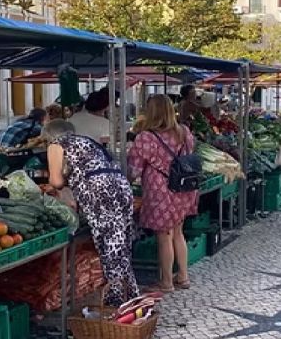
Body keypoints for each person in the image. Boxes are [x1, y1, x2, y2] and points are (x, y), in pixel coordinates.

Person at [42, 119, 139, 305]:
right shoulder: (85, 141)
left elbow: (56, 182)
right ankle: (131, 296)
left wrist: (58, 182)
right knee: (121, 247)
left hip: (100, 194)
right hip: (121, 188)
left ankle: (117, 302)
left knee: (110, 248)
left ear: (49, 135)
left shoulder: (57, 144)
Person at [127, 95, 198, 293]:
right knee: (177, 232)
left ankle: (166, 282)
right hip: (183, 189)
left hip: (160, 191)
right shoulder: (184, 132)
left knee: (164, 236)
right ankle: (183, 276)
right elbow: (189, 154)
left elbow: (133, 169)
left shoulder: (146, 138)